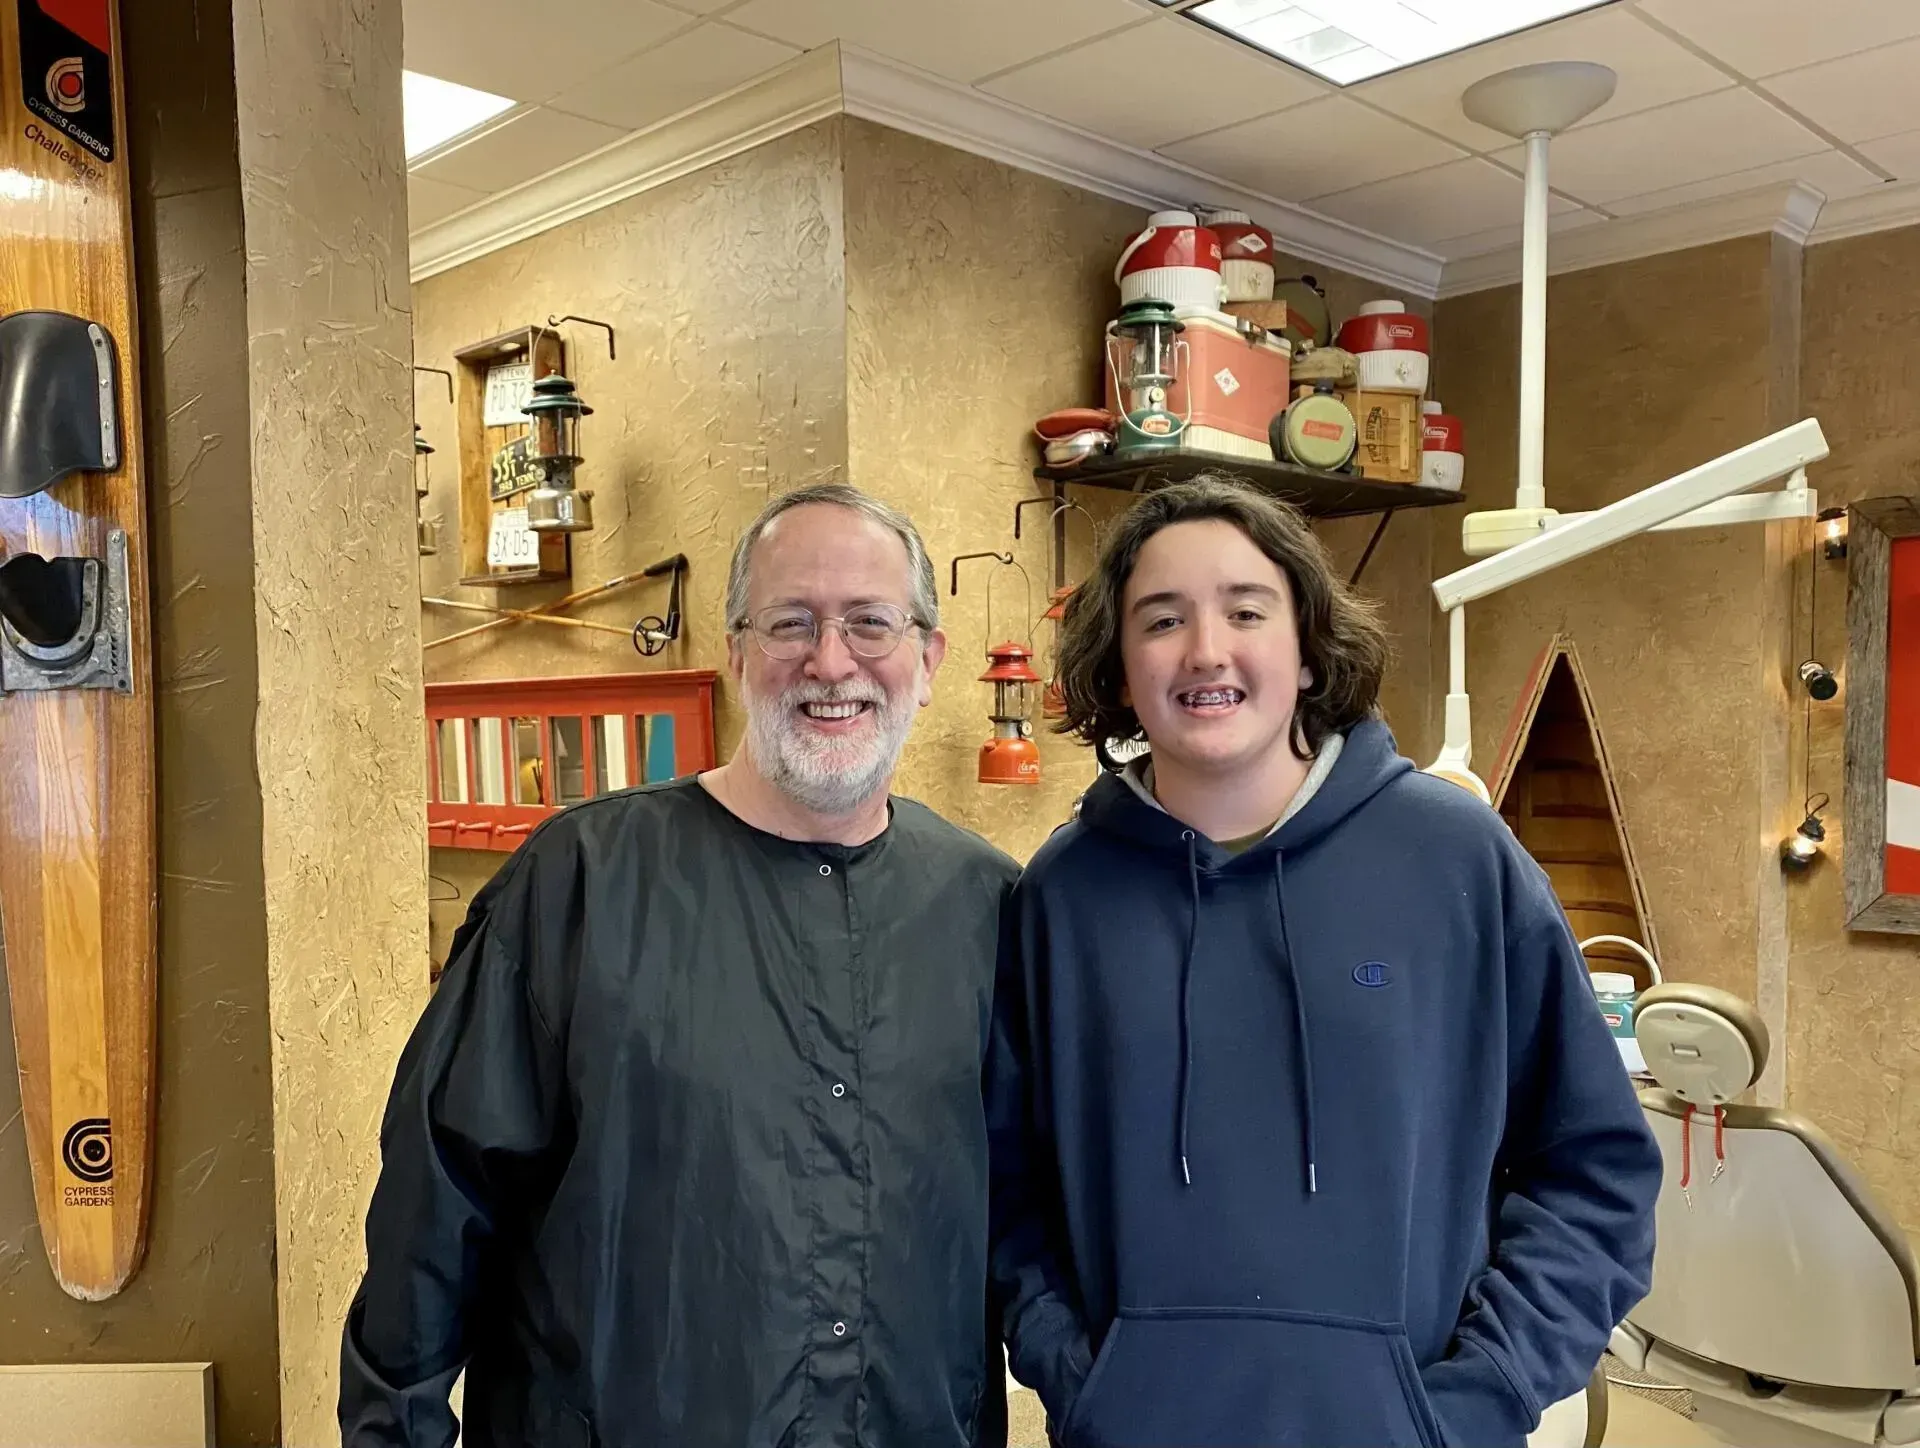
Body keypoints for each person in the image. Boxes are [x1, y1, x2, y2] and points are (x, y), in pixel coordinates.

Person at [987, 476, 1661, 1448]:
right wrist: (1078, 1376)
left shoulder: (1458, 861)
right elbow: (1011, 1189)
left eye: (1245, 610)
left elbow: (1593, 1169)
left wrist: (1479, 1397)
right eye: (1162, 618)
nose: (1206, 649)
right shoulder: (1062, 894)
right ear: (1120, 666)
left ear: (1306, 647)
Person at [341, 483, 1019, 1448]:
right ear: (738, 651)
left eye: (871, 623)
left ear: (929, 658)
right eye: (792, 622)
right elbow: (434, 1202)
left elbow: (1030, 1227)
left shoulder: (984, 905)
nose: (832, 662)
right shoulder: (581, 884)